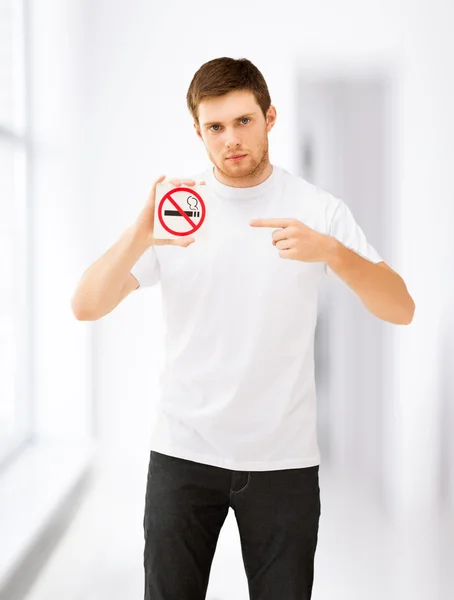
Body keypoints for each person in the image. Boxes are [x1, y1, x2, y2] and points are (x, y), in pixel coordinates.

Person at [71, 57, 415, 600]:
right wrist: (139, 233)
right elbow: (86, 306)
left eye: (244, 121)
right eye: (216, 126)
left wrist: (331, 252)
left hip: (284, 460)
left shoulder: (317, 210)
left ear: (270, 117)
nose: (231, 139)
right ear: (198, 131)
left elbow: (401, 308)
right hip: (183, 454)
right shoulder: (177, 213)